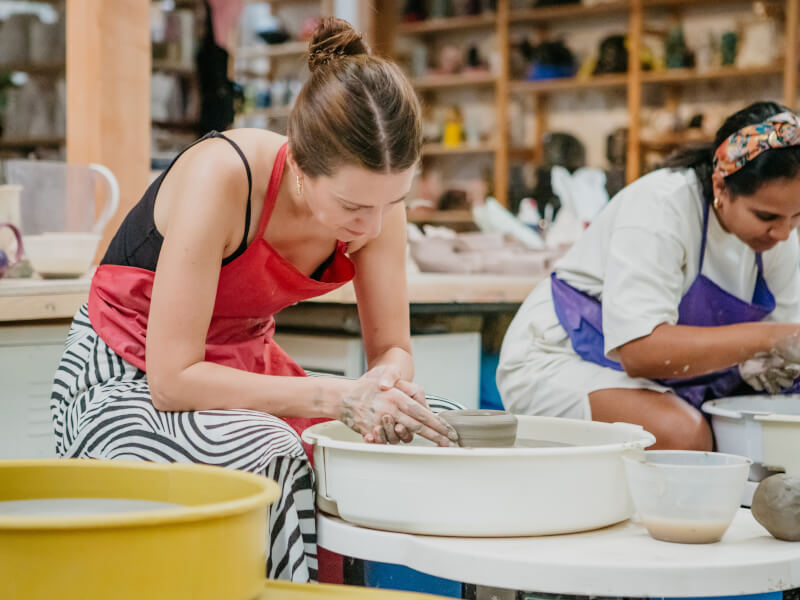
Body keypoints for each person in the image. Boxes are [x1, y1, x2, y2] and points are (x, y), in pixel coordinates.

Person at [49, 18, 458, 583]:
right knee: (273, 450)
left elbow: (392, 348)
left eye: (395, 201)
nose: (375, 224)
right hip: (125, 373)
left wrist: (384, 389)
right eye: (354, 207)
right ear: (297, 166)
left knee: (444, 429)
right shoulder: (223, 176)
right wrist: (338, 396)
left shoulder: (377, 197)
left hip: (244, 369)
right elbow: (172, 381)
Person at [497, 101, 800, 450]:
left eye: (796, 217)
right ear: (721, 187)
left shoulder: (780, 233)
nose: (783, 233)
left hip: (667, 376)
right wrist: (770, 337)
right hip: (559, 357)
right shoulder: (662, 205)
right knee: (683, 435)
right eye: (766, 217)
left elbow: (781, 352)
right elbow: (640, 351)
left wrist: (777, 352)